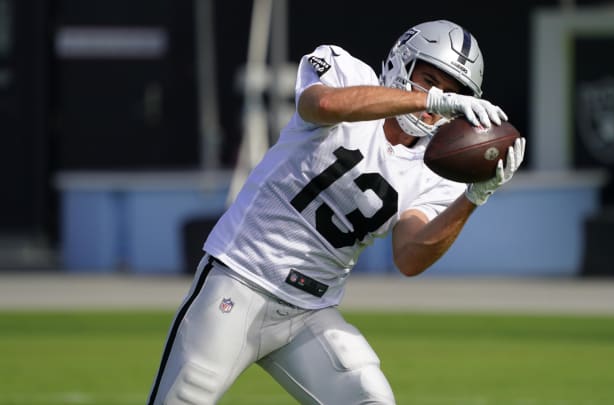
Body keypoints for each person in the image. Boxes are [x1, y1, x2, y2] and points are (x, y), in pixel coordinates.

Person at [147, 19, 525, 405]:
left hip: (309, 312)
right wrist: (426, 99)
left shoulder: (436, 172)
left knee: (371, 400)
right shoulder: (346, 69)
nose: (438, 100)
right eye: (428, 80)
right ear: (401, 63)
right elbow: (322, 104)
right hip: (240, 278)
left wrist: (474, 197)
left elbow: (409, 256)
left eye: (452, 93)